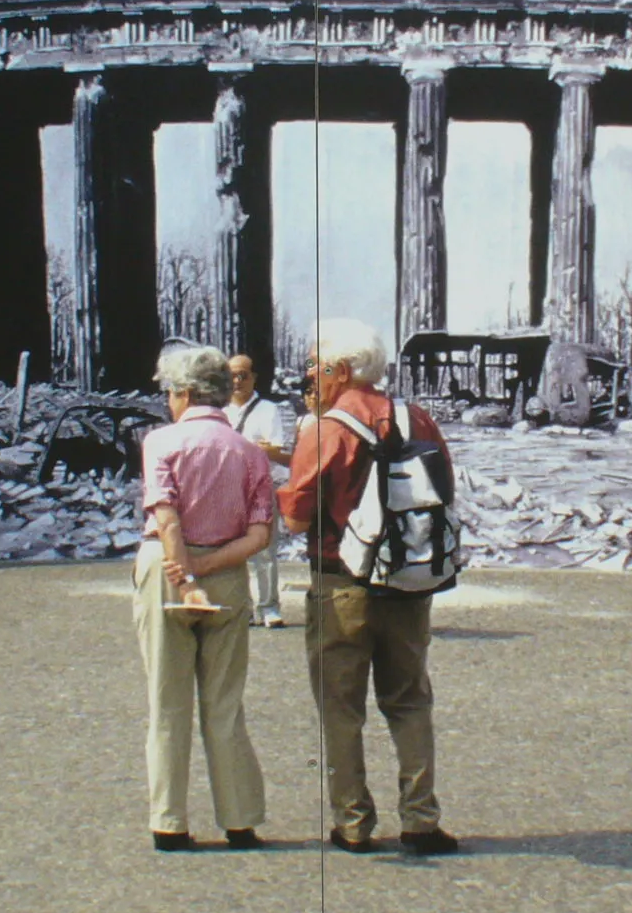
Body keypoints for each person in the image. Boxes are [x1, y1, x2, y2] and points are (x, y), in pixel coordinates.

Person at [279, 318, 459, 856]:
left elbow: (296, 517)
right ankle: (421, 819)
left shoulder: (325, 429)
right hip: (407, 581)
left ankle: (353, 822)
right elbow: (445, 488)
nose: (310, 374)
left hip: (341, 582)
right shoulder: (416, 418)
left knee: (341, 707)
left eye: (315, 364)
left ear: (339, 370)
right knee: (409, 701)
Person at [134, 345, 275, 852]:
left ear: (186, 393)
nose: (168, 401)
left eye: (170, 392)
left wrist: (184, 573)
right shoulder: (251, 453)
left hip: (167, 569)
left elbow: (167, 516)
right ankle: (239, 819)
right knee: (225, 701)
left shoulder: (161, 442)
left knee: (167, 701)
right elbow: (260, 536)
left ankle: (169, 822)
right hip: (227, 572)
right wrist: (209, 567)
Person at [225, 353, 292, 629]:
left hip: (261, 488)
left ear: (253, 378)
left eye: (243, 375)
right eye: (232, 375)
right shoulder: (219, 410)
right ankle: (244, 608)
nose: (237, 381)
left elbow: (276, 449)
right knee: (234, 552)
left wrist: (258, 450)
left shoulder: (268, 410)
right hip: (229, 490)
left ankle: (269, 607)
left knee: (265, 549)